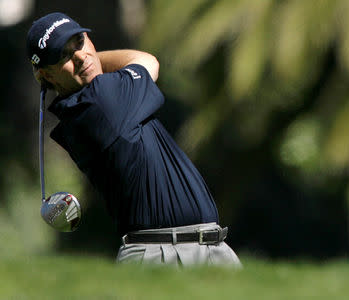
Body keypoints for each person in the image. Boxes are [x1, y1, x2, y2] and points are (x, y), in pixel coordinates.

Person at [26, 12, 241, 267]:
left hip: (200, 248)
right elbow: (146, 61)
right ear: (46, 75)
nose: (80, 56)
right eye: (64, 55)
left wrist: (89, 60)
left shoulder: (79, 108)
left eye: (80, 42)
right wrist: (95, 59)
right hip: (164, 254)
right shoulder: (102, 100)